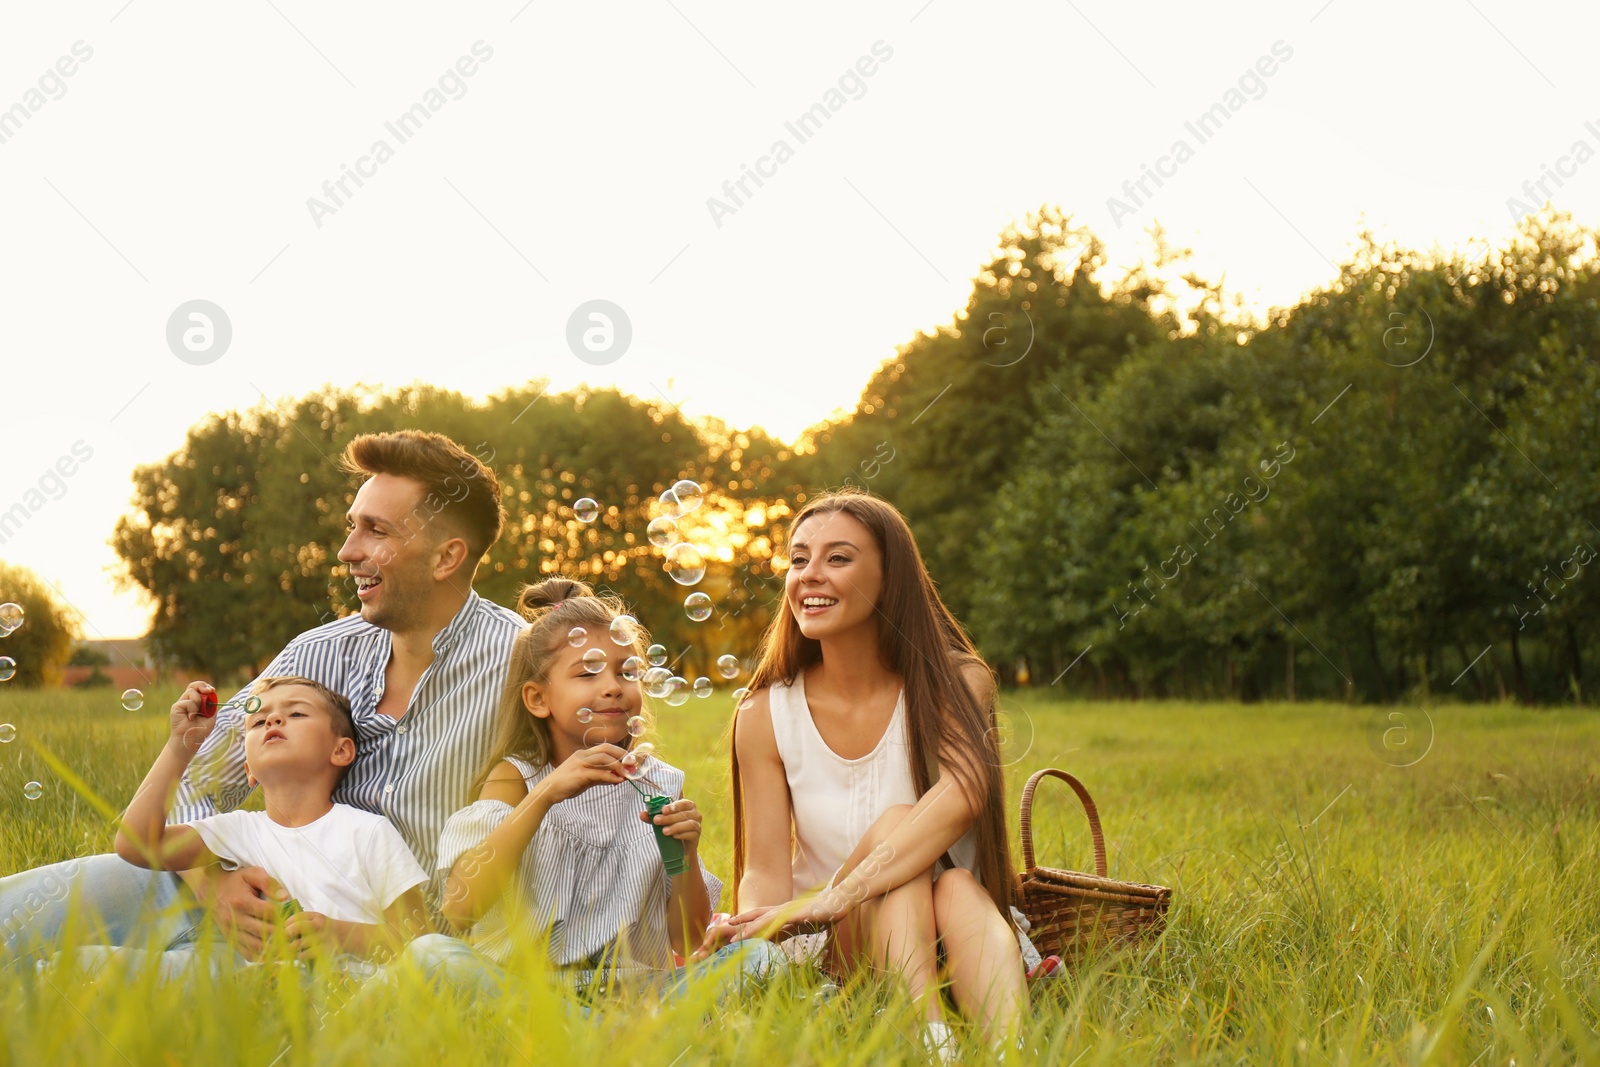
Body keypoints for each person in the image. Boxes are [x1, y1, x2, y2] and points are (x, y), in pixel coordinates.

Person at [1, 430, 523, 966]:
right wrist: (212, 880)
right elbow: (200, 777)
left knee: (62, 977)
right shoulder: (315, 654)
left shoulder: (521, 666)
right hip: (233, 899)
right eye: (352, 526)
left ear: (446, 558)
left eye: (376, 530)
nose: (348, 551)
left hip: (379, 952)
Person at [713, 488, 1028, 1054]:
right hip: (838, 941)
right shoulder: (764, 712)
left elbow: (965, 793)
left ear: (891, 577)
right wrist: (761, 927)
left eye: (837, 558)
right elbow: (763, 867)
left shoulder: (957, 681)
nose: (810, 574)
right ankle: (930, 1039)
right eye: (799, 558)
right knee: (900, 832)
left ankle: (1011, 1052)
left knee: (950, 880)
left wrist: (837, 894)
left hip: (949, 927)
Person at [407, 578, 783, 1002]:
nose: (612, 686)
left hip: (638, 989)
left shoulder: (653, 782)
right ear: (537, 698)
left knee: (762, 958)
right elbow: (459, 907)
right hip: (530, 994)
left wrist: (686, 854)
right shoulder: (515, 780)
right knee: (430, 954)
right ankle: (603, 1033)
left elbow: (689, 939)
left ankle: (606, 1029)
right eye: (587, 672)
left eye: (626, 672)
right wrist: (545, 794)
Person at [78, 675, 429, 980]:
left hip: (365, 992)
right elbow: (136, 844)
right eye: (259, 722)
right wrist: (181, 746)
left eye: (295, 713)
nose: (273, 719)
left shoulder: (368, 832)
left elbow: (420, 937)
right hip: (269, 988)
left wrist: (340, 934)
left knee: (447, 961)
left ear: (340, 750)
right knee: (88, 962)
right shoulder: (239, 832)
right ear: (249, 769)